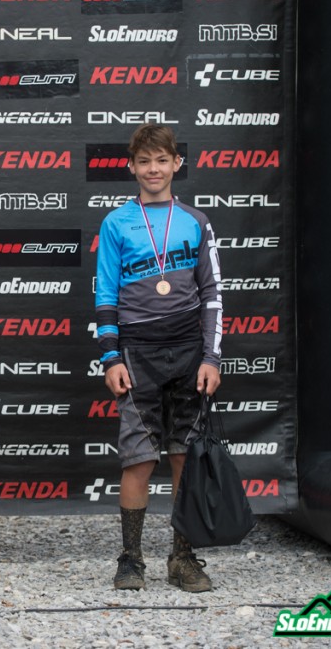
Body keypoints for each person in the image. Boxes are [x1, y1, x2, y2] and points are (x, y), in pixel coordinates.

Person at [94, 123, 223, 593]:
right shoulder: (116, 223)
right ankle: (131, 559)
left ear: (176, 164)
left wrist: (211, 358)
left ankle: (182, 558)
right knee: (138, 459)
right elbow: (105, 294)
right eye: (145, 161)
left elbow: (212, 294)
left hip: (189, 353)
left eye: (162, 160)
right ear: (132, 167)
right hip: (137, 354)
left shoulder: (196, 221)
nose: (154, 169)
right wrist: (111, 358)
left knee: (185, 456)